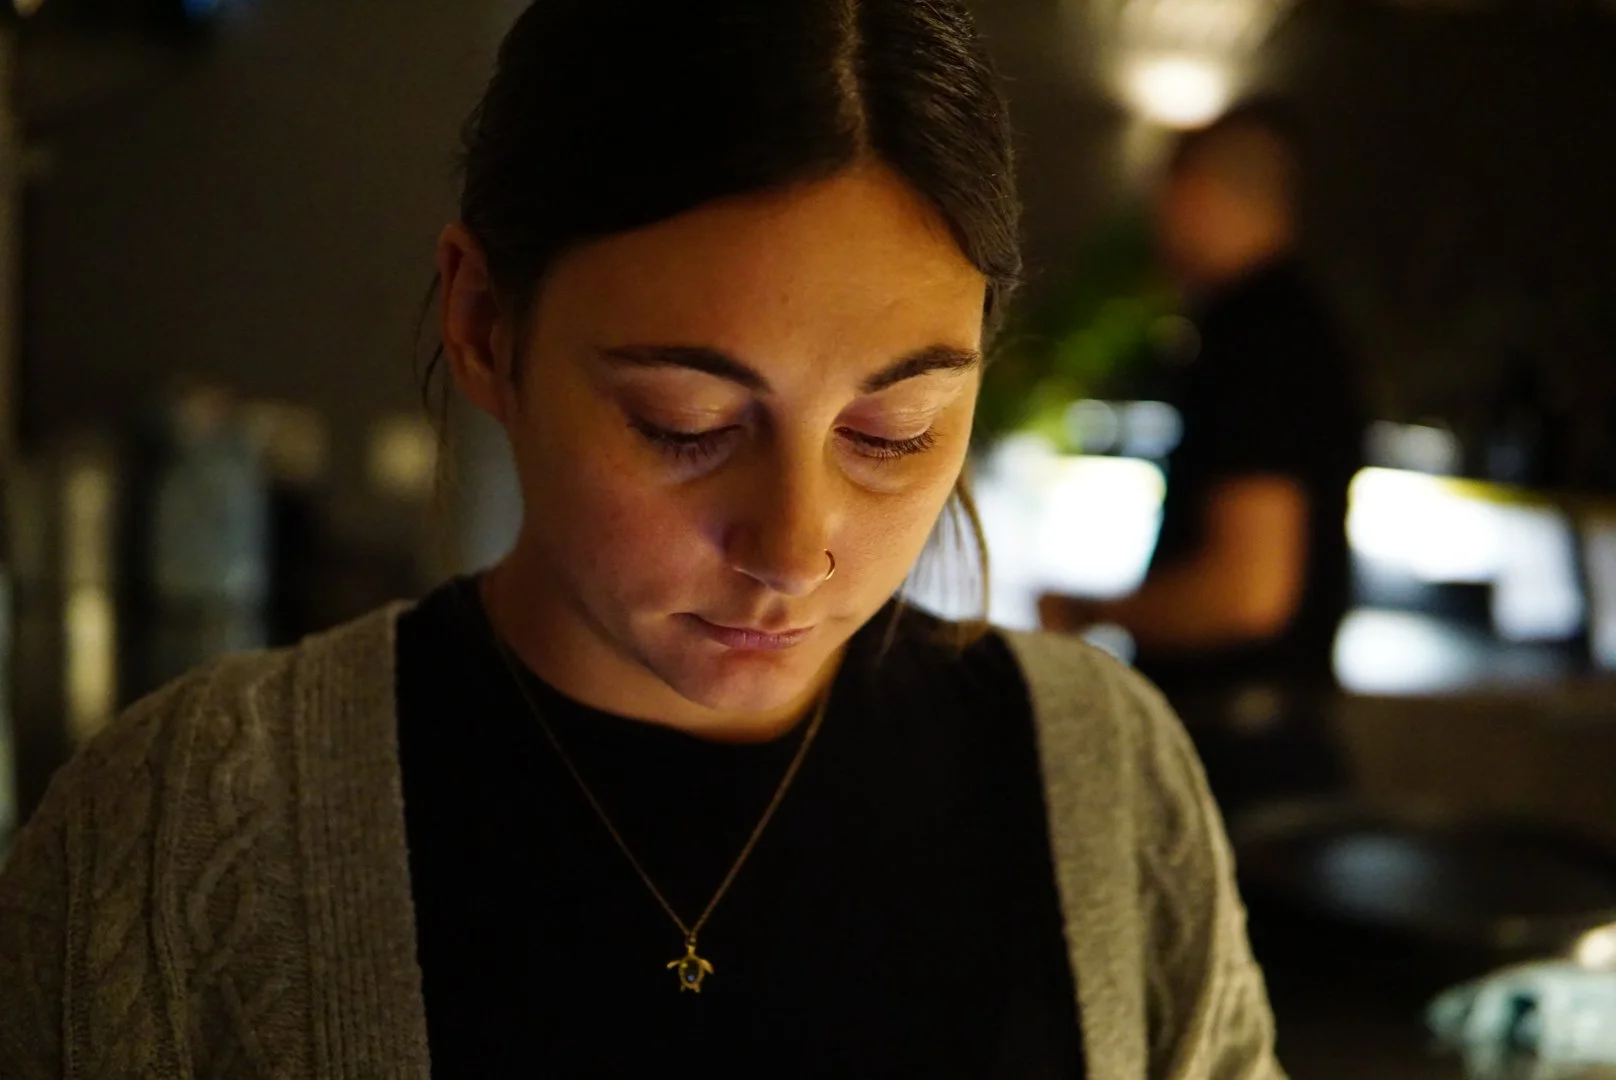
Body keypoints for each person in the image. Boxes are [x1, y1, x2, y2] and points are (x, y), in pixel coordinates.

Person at [0, 3, 1284, 1076]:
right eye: (685, 422)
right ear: (485, 325)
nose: (793, 548)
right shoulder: (182, 832)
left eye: (893, 429)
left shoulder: (1108, 783)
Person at [1041, 105, 1365, 813]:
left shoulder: (1256, 338)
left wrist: (1092, 609)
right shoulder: (1301, 325)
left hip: (1238, 753)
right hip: (1277, 739)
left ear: (1196, 193)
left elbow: (1246, 591)